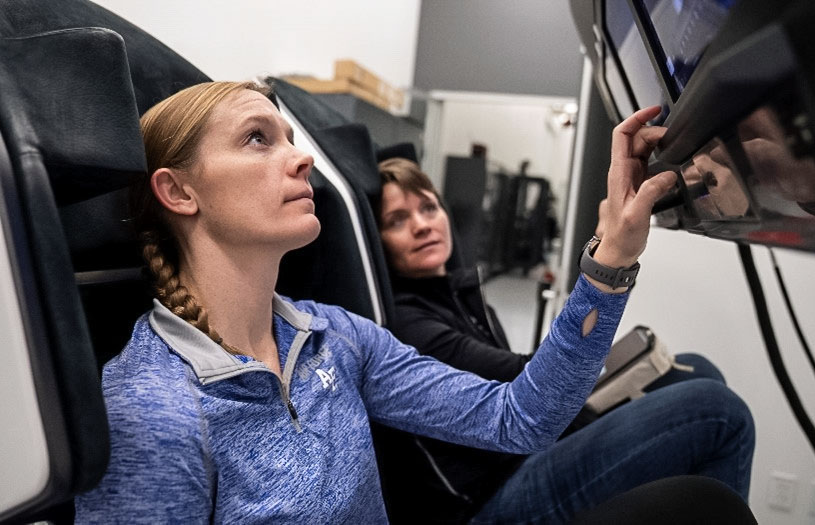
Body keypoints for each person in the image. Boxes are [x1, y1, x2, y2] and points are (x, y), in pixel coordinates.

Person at [73, 80, 712, 523]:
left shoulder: (337, 337)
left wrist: (611, 261)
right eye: (258, 139)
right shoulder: (154, 406)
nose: (301, 159)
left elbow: (520, 419)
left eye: (291, 137)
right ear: (179, 192)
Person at [374, 156, 755, 523]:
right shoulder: (410, 325)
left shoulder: (459, 293)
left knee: (696, 371)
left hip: (524, 451)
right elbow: (530, 380)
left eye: (428, 208)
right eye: (397, 220)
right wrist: (608, 251)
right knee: (717, 411)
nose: (422, 226)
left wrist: (605, 240)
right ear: (379, 243)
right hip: (490, 497)